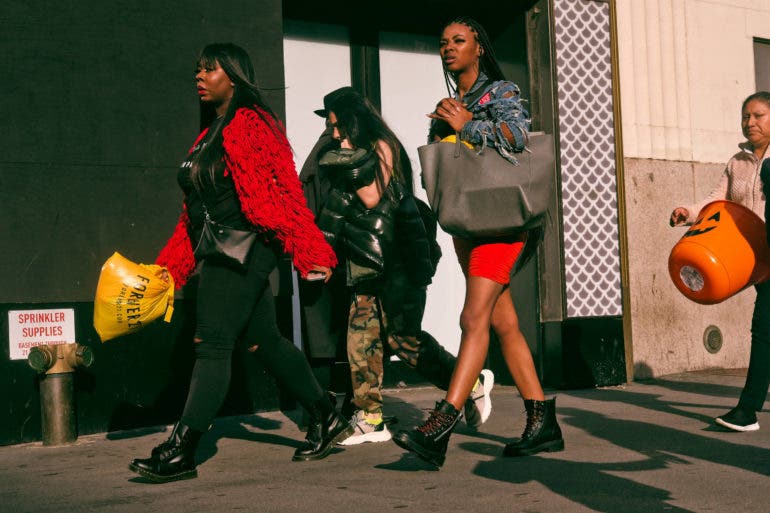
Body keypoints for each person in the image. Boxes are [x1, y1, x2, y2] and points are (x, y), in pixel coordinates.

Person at [128, 43, 352, 483]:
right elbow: (191, 213)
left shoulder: (253, 124)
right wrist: (171, 265)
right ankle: (326, 417)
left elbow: (283, 192)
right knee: (265, 339)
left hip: (245, 248)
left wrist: (309, 248)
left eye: (209, 69)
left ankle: (181, 450)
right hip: (218, 247)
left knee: (212, 344)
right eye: (198, 68)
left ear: (233, 75)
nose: (200, 75)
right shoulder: (210, 132)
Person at [392, 16, 564, 468]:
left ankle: (442, 423)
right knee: (503, 324)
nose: (449, 48)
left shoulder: (500, 94)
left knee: (473, 317)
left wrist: (466, 125)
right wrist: (443, 127)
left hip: (503, 225)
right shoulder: (452, 100)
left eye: (459, 40)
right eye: (443, 41)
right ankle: (542, 421)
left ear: (478, 48)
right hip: (469, 224)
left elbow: (517, 137)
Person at [314, 87, 495, 445]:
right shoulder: (354, 152)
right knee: (360, 337)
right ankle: (370, 418)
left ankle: (471, 381)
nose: (334, 135)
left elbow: (372, 197)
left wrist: (344, 159)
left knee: (404, 342)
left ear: (353, 121)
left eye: (338, 126)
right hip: (365, 260)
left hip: (398, 260)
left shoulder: (383, 146)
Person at [671, 91, 770, 432]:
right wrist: (689, 213)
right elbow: (718, 201)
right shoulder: (737, 162)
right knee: (766, 330)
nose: (750, 122)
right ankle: (748, 409)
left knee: (765, 330)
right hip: (756, 260)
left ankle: (747, 410)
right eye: (746, 116)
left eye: (758, 115)